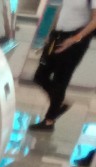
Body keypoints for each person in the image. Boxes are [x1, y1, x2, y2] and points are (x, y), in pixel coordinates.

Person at [29, 0, 96, 132]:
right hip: (58, 35)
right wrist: (51, 33)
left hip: (75, 41)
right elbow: (62, 11)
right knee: (40, 76)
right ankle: (60, 103)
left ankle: (49, 121)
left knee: (60, 80)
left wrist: (74, 39)